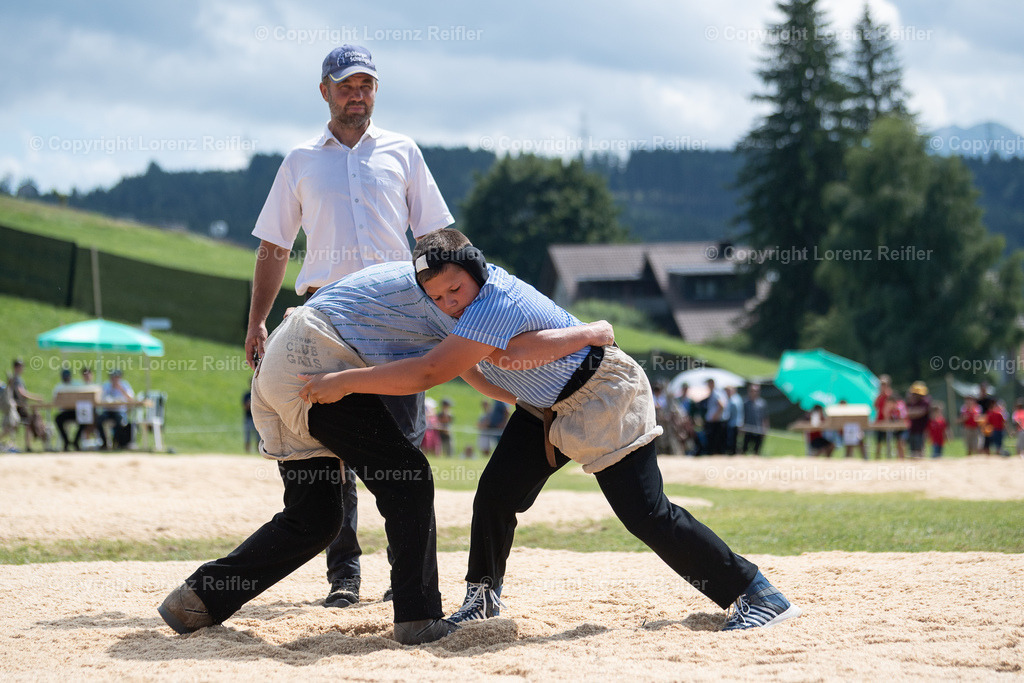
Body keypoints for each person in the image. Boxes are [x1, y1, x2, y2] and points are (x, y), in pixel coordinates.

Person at [300, 229, 801, 631]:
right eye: (437, 296)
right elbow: (474, 373)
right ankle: (482, 597)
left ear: (475, 273)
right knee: (495, 494)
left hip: (602, 393)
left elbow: (431, 373)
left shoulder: (492, 301)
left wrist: (343, 382)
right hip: (547, 408)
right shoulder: (466, 314)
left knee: (647, 514)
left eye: (455, 288)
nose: (449, 302)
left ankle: (754, 593)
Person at [158, 260, 611, 645]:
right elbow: (430, 372)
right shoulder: (465, 299)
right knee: (408, 477)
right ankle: (417, 617)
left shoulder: (415, 284)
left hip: (281, 361)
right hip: (317, 363)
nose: (449, 297)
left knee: (313, 520)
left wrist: (529, 404)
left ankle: (198, 599)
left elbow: (469, 371)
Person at [243, 44, 456, 610]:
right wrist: (258, 322)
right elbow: (274, 247)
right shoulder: (299, 161)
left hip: (394, 318)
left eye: (366, 85)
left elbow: (437, 238)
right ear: (325, 92)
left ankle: (404, 575)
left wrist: (460, 307)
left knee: (404, 450)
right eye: (345, 85)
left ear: (375, 91)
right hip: (324, 320)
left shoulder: (403, 152)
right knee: (330, 452)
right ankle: (345, 575)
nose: (356, 94)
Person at [97, 369, 134, 450]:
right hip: (108, 411)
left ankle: (116, 442)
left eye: (116, 377)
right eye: (113, 377)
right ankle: (104, 442)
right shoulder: (106, 385)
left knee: (120, 422)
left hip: (119, 411)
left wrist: (121, 389)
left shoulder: (124, 385)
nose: (114, 379)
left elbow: (131, 399)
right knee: (98, 420)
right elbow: (100, 399)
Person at [52, 368, 79, 451]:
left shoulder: (76, 385)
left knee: (84, 420)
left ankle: (76, 441)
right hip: (64, 411)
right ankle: (66, 441)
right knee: (58, 419)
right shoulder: (58, 387)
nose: (66, 378)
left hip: (75, 411)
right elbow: (55, 401)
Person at [740, 384, 769, 456]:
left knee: (756, 451)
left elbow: (765, 417)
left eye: (756, 391)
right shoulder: (744, 403)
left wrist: (765, 429)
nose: (754, 393)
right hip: (747, 430)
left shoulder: (762, 403)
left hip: (758, 430)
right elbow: (741, 416)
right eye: (752, 391)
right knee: (744, 450)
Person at [904, 382, 930, 459]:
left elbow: (921, 412)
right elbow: (905, 412)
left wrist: (911, 413)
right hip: (912, 429)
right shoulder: (911, 402)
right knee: (912, 450)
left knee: (920, 449)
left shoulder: (925, 401)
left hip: (921, 429)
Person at [703, 379, 727, 455]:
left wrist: (715, 416)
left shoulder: (716, 394)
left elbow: (721, 405)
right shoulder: (714, 393)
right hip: (715, 421)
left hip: (716, 421)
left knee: (715, 440)